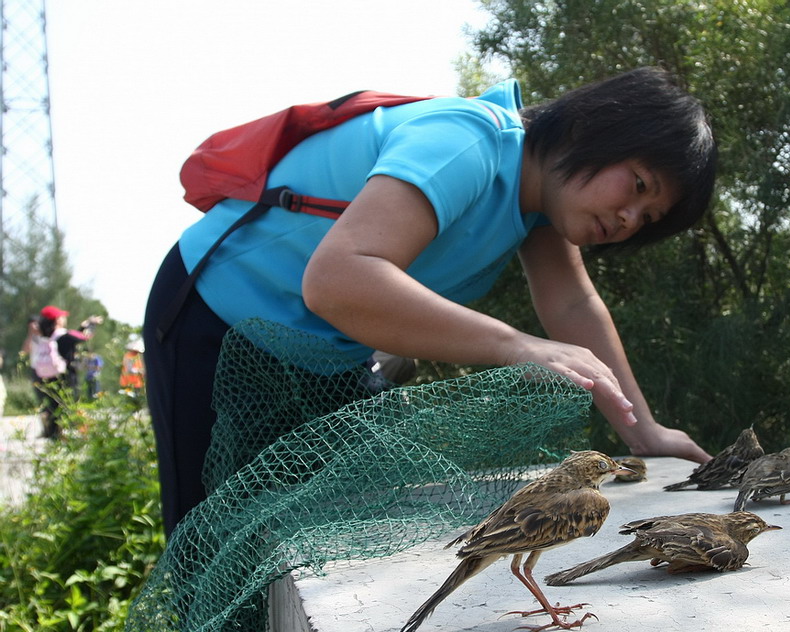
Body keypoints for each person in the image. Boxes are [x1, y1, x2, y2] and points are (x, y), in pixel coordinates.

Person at [144, 67, 717, 536]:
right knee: (211, 533)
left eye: (648, 218)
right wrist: (519, 347)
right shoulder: (470, 140)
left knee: (321, 530)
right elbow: (338, 280)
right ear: (593, 129)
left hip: (325, 361)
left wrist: (645, 432)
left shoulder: (541, 210)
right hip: (215, 319)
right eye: (638, 186)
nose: (628, 220)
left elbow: (575, 308)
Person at [22, 306, 99, 438]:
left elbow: (25, 350)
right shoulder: (63, 335)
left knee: (52, 406)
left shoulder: (43, 336)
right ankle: (88, 433)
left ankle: (54, 434)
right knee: (72, 403)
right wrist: (91, 324)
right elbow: (85, 336)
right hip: (65, 377)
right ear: (57, 320)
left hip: (46, 376)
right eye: (62, 316)